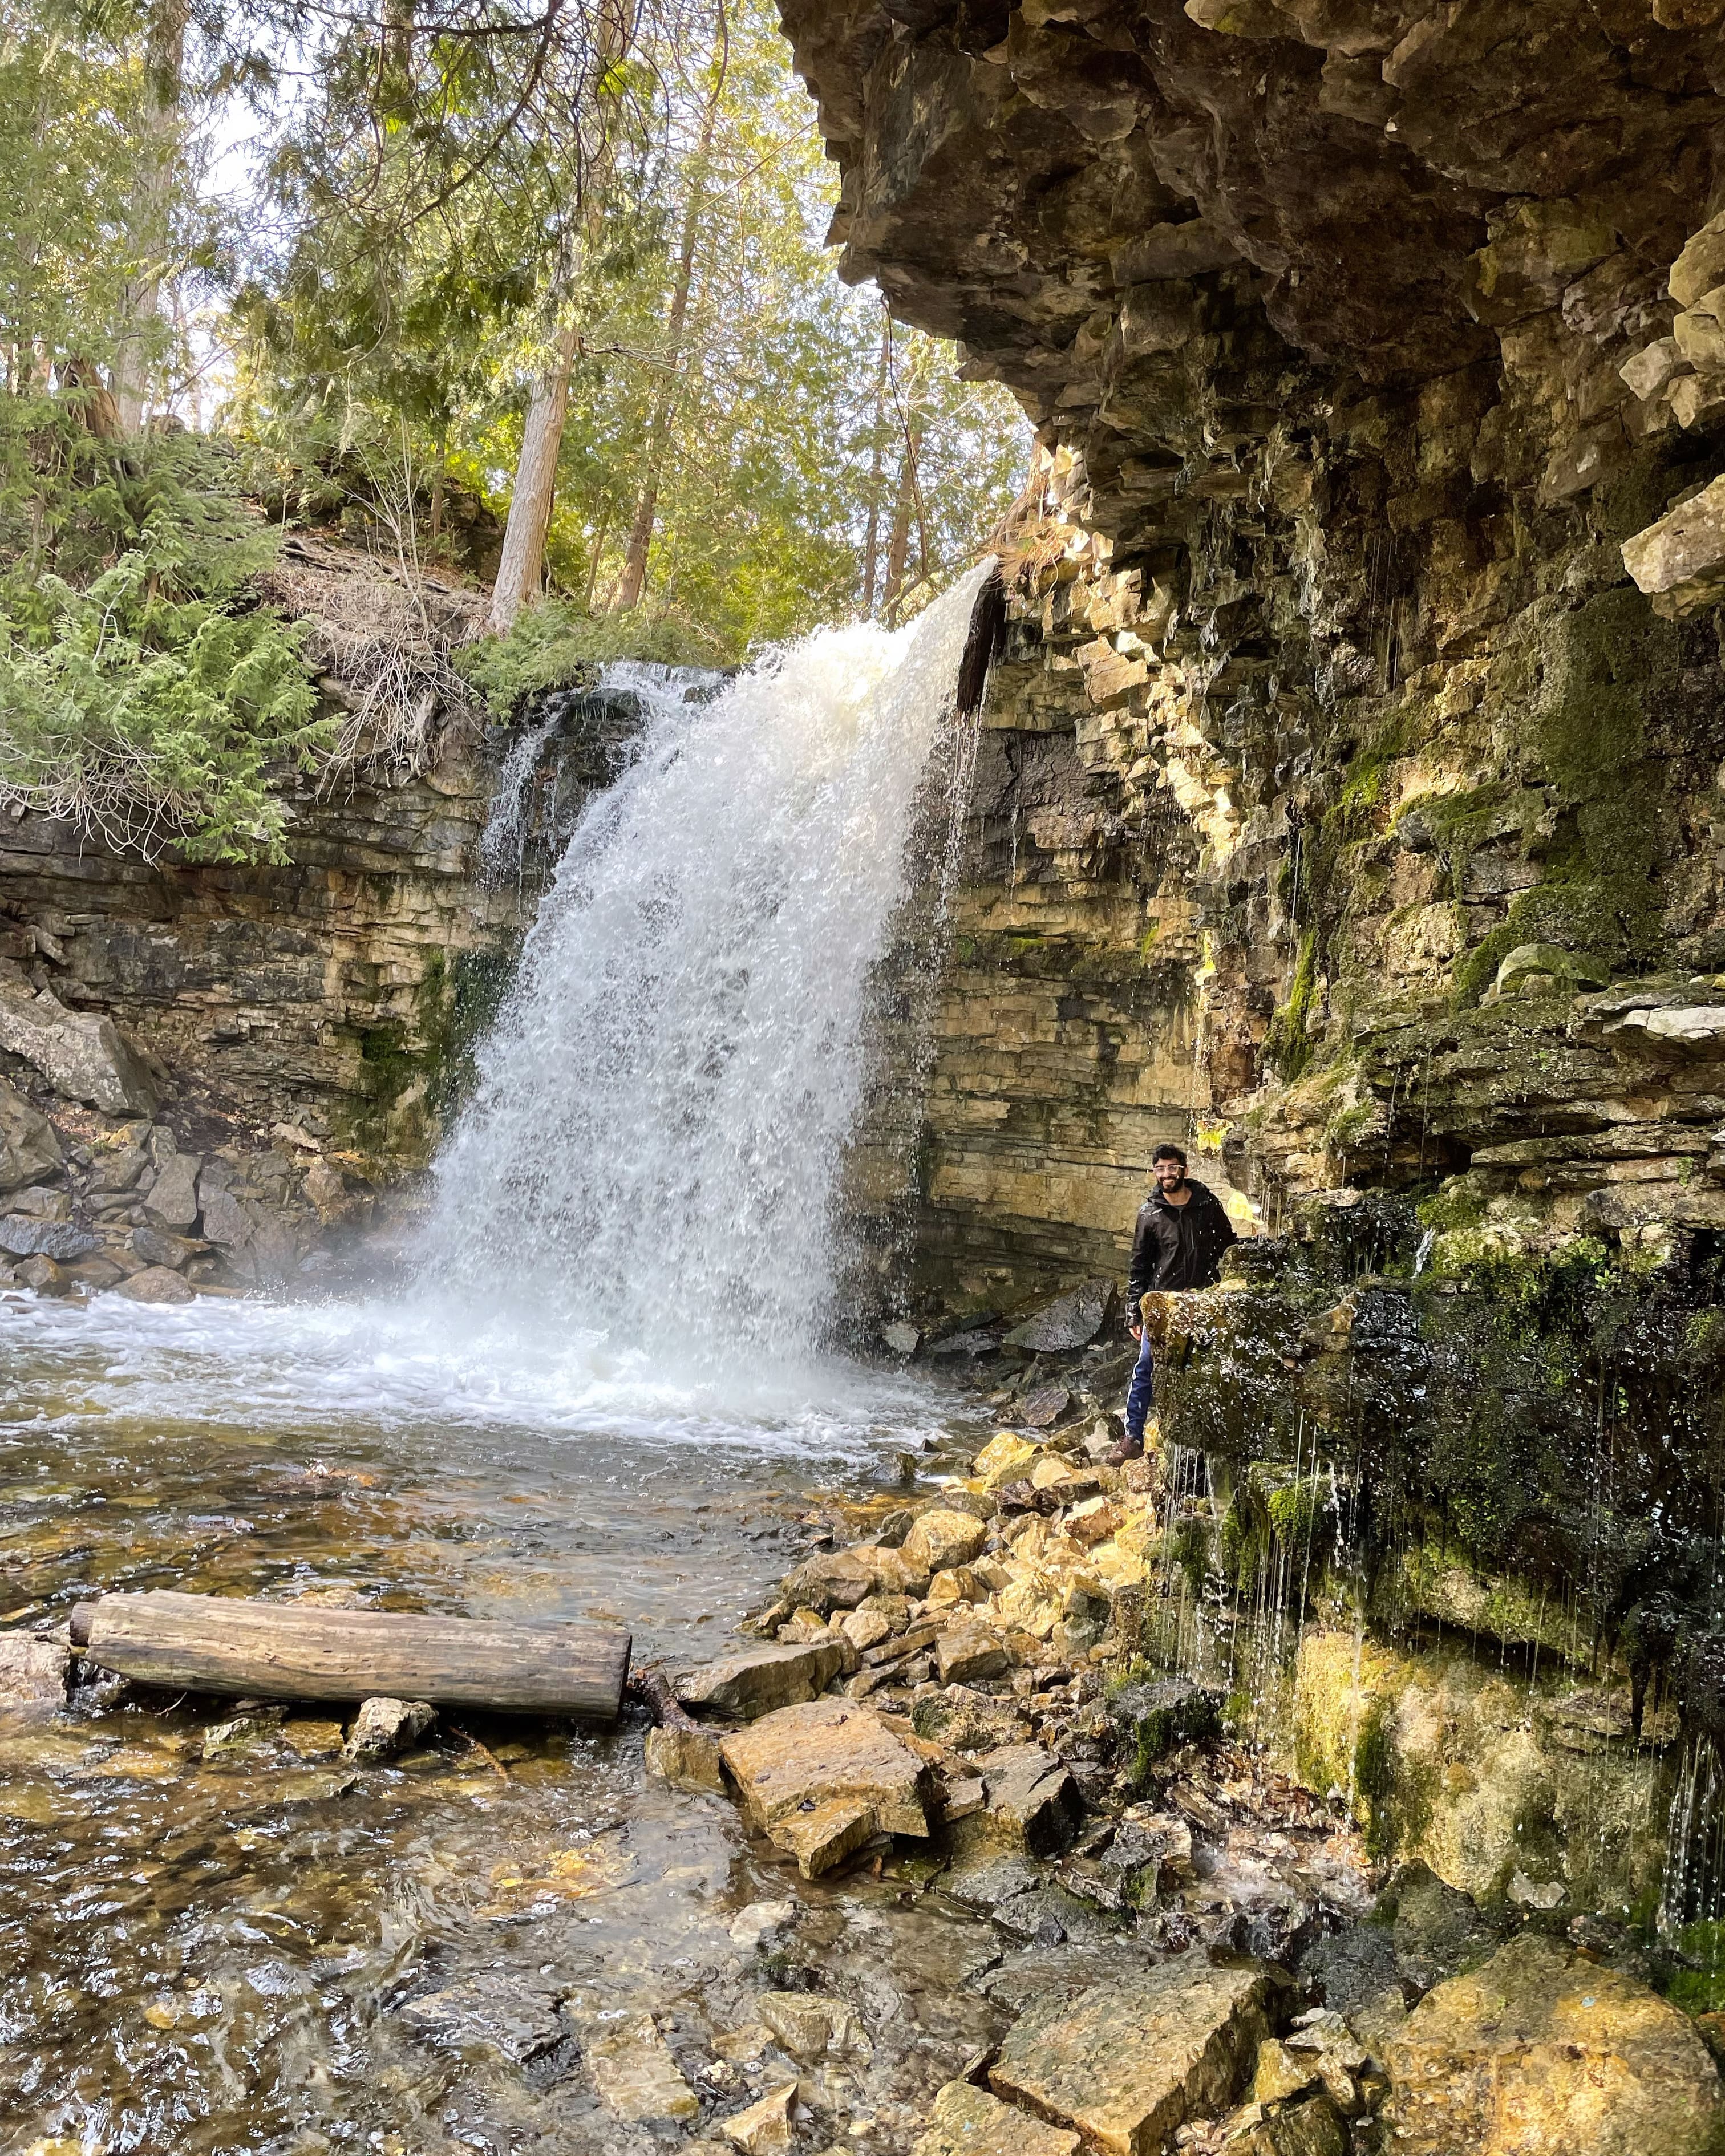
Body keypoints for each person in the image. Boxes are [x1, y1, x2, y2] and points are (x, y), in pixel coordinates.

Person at [1111, 1141, 1237, 1464]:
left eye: (1172, 1168)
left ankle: (1208, 1441)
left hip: (1204, 1299)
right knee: (1146, 1368)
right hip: (1163, 1303)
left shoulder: (1207, 1205)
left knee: (1208, 1368)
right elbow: (1139, 1265)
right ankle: (1133, 1438)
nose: (1166, 1174)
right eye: (1160, 1169)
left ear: (1184, 1170)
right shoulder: (1149, 1214)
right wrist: (1134, 1311)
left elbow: (1229, 1246)